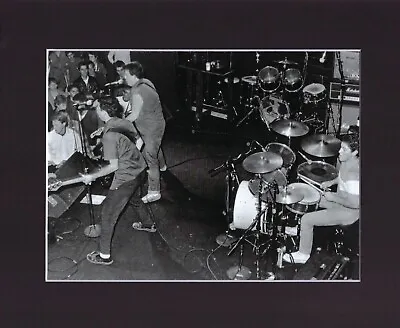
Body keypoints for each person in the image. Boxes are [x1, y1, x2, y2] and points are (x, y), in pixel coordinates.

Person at [80, 97, 155, 266]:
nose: (96, 110)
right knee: (135, 199)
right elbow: (136, 140)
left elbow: (113, 166)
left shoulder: (109, 137)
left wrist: (92, 176)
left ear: (104, 112)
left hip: (125, 177)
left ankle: (104, 255)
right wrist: (104, 131)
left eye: (98, 107)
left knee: (107, 214)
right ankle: (148, 224)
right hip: (140, 169)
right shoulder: (122, 122)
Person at [283, 132, 360, 264]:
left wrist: (333, 198)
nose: (339, 151)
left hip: (349, 212)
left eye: (344, 149)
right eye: (341, 146)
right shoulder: (347, 160)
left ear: (355, 152)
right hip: (342, 200)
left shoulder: (355, 173)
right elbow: (342, 178)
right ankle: (302, 231)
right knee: (313, 198)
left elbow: (356, 203)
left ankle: (303, 254)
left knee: (306, 219)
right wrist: (332, 182)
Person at [123, 61, 167, 203]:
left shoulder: (137, 91)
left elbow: (134, 116)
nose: (124, 78)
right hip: (157, 124)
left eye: (126, 75)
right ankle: (163, 167)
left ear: (133, 75)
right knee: (154, 148)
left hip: (151, 129)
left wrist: (118, 123)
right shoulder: (146, 82)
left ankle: (154, 191)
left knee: (150, 157)